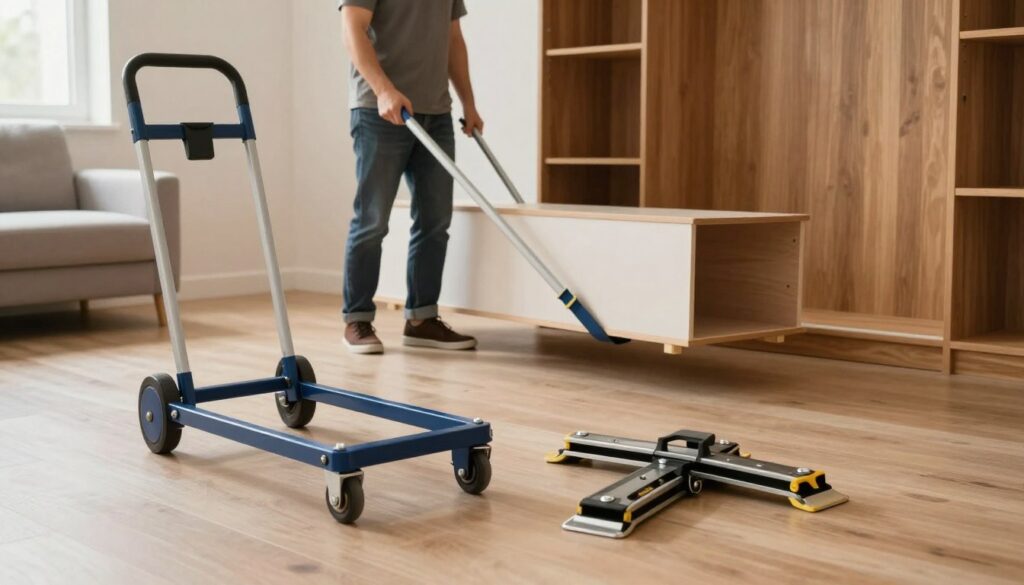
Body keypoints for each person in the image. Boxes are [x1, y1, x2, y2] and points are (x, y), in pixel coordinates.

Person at [338, 0, 482, 354]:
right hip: (378, 111)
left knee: (435, 221)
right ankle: (357, 319)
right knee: (372, 221)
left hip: (436, 111)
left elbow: (453, 39)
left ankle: (421, 319)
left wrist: (469, 103)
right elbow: (352, 28)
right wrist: (384, 89)